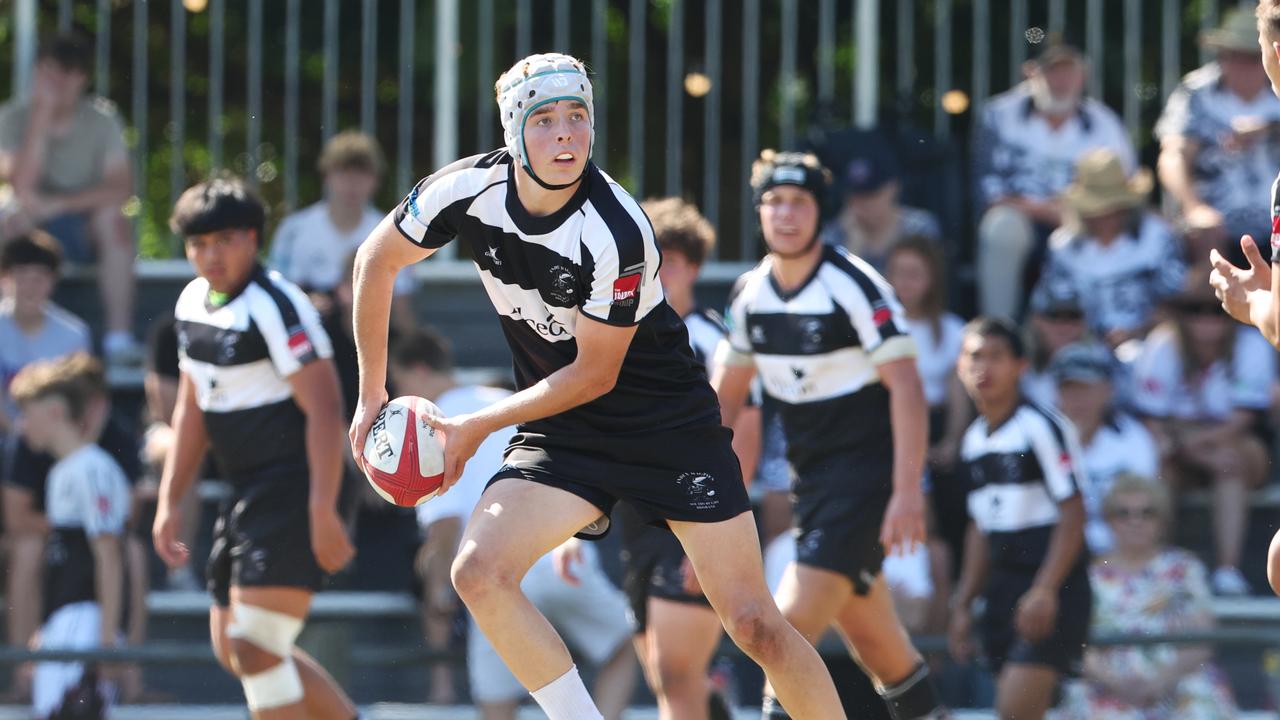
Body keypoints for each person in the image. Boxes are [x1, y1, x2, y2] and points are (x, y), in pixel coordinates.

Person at [347, 53, 845, 720]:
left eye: (578, 118)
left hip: (667, 430)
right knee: (477, 573)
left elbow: (594, 373)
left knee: (754, 623)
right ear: (512, 133)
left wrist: (473, 428)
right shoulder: (464, 189)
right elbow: (375, 260)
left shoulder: (617, 227)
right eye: (545, 120)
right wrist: (370, 394)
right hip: (566, 428)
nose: (564, 136)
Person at [713, 150, 945, 720]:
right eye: (774, 202)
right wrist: (697, 497)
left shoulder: (856, 285)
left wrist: (907, 491)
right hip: (810, 487)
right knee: (883, 651)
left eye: (800, 202)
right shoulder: (751, 294)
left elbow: (908, 388)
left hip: (865, 486)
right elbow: (721, 406)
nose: (786, 214)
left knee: (777, 633)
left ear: (821, 213)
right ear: (760, 212)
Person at [152, 177, 358, 719]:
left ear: (251, 238)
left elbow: (326, 409)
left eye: (223, 240)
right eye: (198, 243)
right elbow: (191, 409)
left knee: (255, 649)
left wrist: (321, 508)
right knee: (237, 651)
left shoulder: (276, 304)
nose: (209, 254)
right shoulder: (191, 301)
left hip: (295, 488)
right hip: (245, 490)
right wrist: (169, 500)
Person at [388, 329, 637, 719]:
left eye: (399, 382)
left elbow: (445, 524)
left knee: (496, 706)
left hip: (495, 570)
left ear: (418, 372)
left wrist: (438, 587)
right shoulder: (507, 402)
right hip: (560, 556)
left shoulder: (431, 429)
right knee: (624, 647)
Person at [590, 196, 747, 720]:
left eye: (673, 260)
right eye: (653, 257)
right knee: (666, 677)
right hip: (638, 525)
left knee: (678, 677)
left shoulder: (711, 338)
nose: (662, 269)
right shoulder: (619, 339)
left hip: (694, 516)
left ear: (695, 268)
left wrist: (715, 534)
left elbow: (745, 426)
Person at [950, 317, 1091, 720]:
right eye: (975, 356)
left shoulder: (1041, 426)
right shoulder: (974, 440)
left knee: (1013, 712)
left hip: (1051, 582)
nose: (984, 367)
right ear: (959, 365)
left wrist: (1045, 590)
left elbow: (1073, 511)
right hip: (1003, 585)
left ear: (1021, 366)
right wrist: (964, 602)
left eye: (997, 356)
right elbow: (980, 527)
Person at [0, 33, 138, 366]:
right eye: (50, 71)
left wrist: (60, 204)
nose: (57, 81)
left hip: (84, 224)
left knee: (114, 221)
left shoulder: (102, 120)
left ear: (83, 79)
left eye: (67, 72)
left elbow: (121, 188)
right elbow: (20, 186)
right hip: (29, 223)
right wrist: (41, 120)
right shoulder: (13, 116)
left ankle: (118, 338)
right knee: (8, 220)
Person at [1130, 276, 1273, 596]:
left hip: (1232, 439)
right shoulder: (1162, 344)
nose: (1207, 320)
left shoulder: (1251, 343)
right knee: (1159, 465)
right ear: (1182, 313)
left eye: (1217, 310)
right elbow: (1152, 419)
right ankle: (1159, 566)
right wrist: (1184, 447)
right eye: (1196, 310)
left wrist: (1187, 445)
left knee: (1230, 462)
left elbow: (1243, 419)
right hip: (1178, 443)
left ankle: (1226, 569)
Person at [973, 41, 1135, 319]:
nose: (1061, 81)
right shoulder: (998, 115)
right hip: (1020, 218)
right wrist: (1047, 211)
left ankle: (1104, 331)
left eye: (1069, 70)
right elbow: (989, 193)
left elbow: (1124, 189)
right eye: (1052, 71)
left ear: (1083, 75)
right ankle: (998, 331)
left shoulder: (1105, 123)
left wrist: (1081, 213)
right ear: (1030, 73)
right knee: (1000, 228)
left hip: (1087, 219)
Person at [10, 353, 130, 719]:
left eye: (27, 414)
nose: (21, 425)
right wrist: (44, 630)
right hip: (62, 621)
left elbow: (108, 556)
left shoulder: (92, 469)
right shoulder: (63, 471)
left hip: (86, 621)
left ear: (56, 413)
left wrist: (106, 640)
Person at [1060, 474, 1238, 719]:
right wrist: (1116, 682)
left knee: (1200, 702)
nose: (1135, 521)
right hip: (1107, 682)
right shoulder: (1088, 575)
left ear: (1162, 521)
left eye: (1147, 513)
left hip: (1176, 677)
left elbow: (1202, 639)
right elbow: (1077, 644)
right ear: (1109, 520)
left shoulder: (1184, 568)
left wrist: (1162, 680)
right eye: (1124, 513)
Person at [1158, 7, 1280, 263]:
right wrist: (1194, 208)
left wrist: (1268, 127)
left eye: (1250, 57)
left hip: (1275, 221)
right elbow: (1173, 156)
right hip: (1217, 224)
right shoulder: (1196, 94)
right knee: (1201, 247)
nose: (1241, 66)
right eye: (1232, 55)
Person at [269, 131, 416, 331]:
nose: (352, 183)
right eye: (344, 172)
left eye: (362, 173)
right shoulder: (295, 230)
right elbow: (279, 293)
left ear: (376, 180)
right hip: (310, 332)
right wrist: (306, 303)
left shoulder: (393, 232)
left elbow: (400, 305)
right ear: (327, 176)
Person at [1041, 150, 1186, 347]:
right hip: (1082, 349)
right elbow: (1049, 309)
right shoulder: (1062, 247)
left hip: (1151, 343)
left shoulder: (1156, 235)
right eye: (1096, 209)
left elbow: (1177, 301)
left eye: (1112, 208)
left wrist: (1138, 331)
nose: (1105, 215)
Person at [1048, 341, 1158, 556]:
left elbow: (1144, 507)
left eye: (1087, 388)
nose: (1078, 399)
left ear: (1107, 391)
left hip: (1119, 552)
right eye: (1070, 389)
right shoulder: (1043, 438)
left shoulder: (1134, 438)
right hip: (1059, 553)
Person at [819, 144, 941, 272]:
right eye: (855, 196)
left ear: (893, 188)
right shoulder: (834, 233)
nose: (862, 203)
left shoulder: (920, 227)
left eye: (871, 195)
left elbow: (928, 284)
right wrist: (853, 247)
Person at [1021, 278, 1091, 409]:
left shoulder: (1106, 369)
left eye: (1073, 317)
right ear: (1036, 320)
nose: (1064, 327)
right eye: (1054, 316)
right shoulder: (1019, 370)